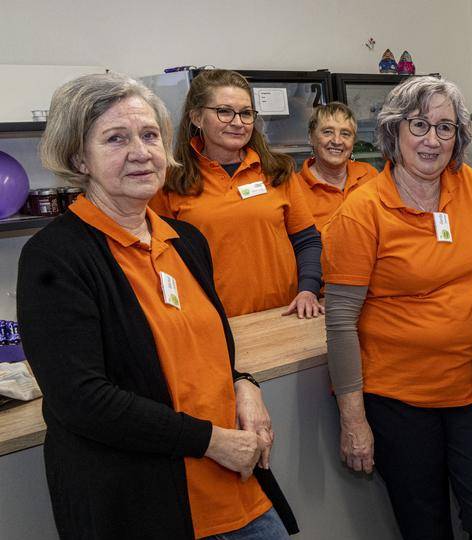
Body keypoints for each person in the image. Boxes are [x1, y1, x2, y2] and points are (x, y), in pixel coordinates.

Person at [17, 73, 296, 539]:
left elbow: (205, 353)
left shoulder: (186, 241)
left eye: (149, 135)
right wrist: (210, 441)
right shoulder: (56, 256)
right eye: (116, 138)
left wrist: (243, 383)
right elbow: (82, 400)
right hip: (141, 505)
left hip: (234, 489)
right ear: (77, 157)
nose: (141, 152)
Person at [322, 76, 472, 540]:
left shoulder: (466, 182)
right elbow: (340, 321)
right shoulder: (362, 211)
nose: (432, 140)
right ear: (394, 131)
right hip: (398, 400)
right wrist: (353, 420)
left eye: (445, 128)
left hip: (471, 388)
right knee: (424, 526)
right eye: (419, 125)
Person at [151, 69, 323, 319]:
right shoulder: (171, 181)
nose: (237, 122)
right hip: (211, 322)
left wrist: (308, 289)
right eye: (224, 111)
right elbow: (161, 261)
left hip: (285, 314)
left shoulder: (277, 171)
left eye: (245, 113)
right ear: (197, 117)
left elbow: (306, 240)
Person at [296, 102, 378, 229]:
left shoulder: (369, 175)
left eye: (345, 134)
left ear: (353, 141)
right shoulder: (295, 188)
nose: (337, 141)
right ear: (311, 137)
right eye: (328, 132)